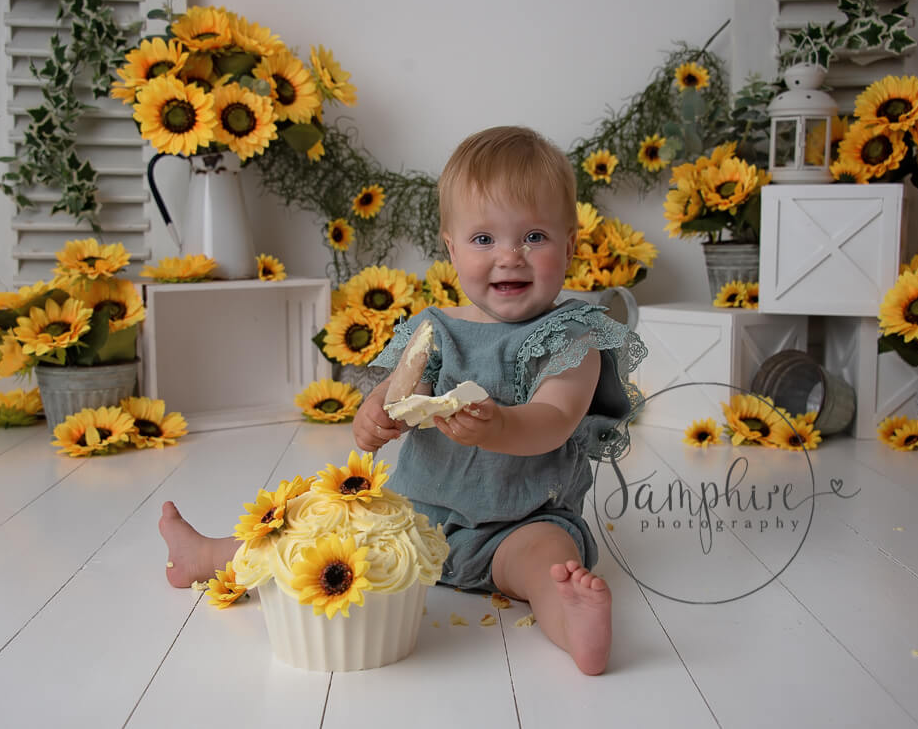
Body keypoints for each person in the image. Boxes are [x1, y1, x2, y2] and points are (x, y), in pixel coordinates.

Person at [159, 125, 643, 676]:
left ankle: (573, 619)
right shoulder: (435, 329)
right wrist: (375, 415)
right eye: (484, 239)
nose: (510, 257)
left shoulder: (573, 335)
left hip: (518, 525)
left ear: (571, 246)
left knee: (551, 561)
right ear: (451, 247)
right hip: (413, 525)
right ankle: (210, 556)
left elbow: (555, 419)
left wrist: (498, 427)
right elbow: (398, 393)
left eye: (534, 236)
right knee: (314, 531)